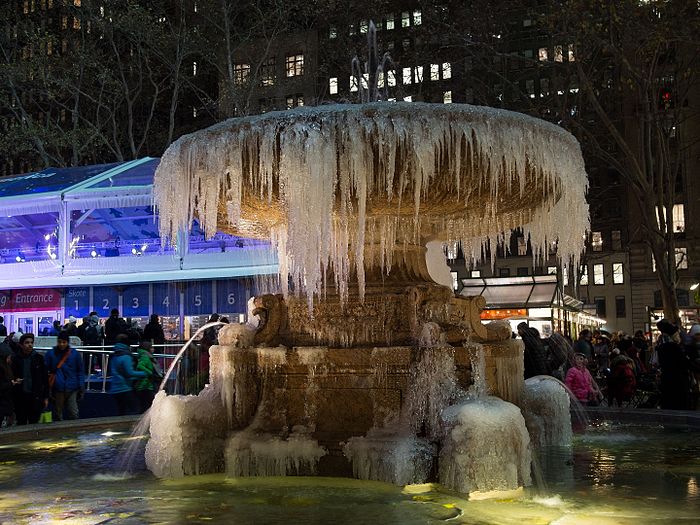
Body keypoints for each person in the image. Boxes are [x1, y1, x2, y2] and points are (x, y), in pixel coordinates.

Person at [655, 319, 695, 410]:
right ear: (673, 335)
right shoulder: (675, 348)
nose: (679, 336)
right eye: (677, 334)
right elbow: (685, 363)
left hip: (667, 381)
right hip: (678, 382)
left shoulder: (661, 348)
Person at [44, 331, 85, 421]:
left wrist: (81, 386)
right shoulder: (51, 354)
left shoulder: (74, 354)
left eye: (64, 342)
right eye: (60, 342)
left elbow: (80, 371)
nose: (61, 344)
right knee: (58, 413)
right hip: (58, 387)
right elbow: (45, 370)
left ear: (67, 342)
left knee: (73, 412)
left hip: (71, 387)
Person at [10, 333, 49, 425]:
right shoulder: (16, 359)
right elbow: (12, 376)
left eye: (31, 342)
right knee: (21, 422)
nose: (30, 345)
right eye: (27, 343)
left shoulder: (38, 358)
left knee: (34, 422)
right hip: (21, 397)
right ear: (21, 345)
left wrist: (46, 397)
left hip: (35, 396)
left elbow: (44, 379)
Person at [109, 334, 147, 415]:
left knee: (121, 412)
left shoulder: (115, 355)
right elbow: (130, 372)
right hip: (125, 388)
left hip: (115, 388)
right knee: (135, 411)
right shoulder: (126, 356)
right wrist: (144, 373)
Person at [134, 341, 162, 413]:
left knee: (146, 404)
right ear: (147, 348)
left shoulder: (147, 356)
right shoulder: (145, 357)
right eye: (151, 347)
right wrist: (150, 373)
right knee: (148, 403)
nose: (153, 349)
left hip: (147, 384)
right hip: (145, 385)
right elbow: (140, 366)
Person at [0, 342, 19, 427]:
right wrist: (11, 383)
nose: (10, 359)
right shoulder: (2, 368)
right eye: (8, 357)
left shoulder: (6, 367)